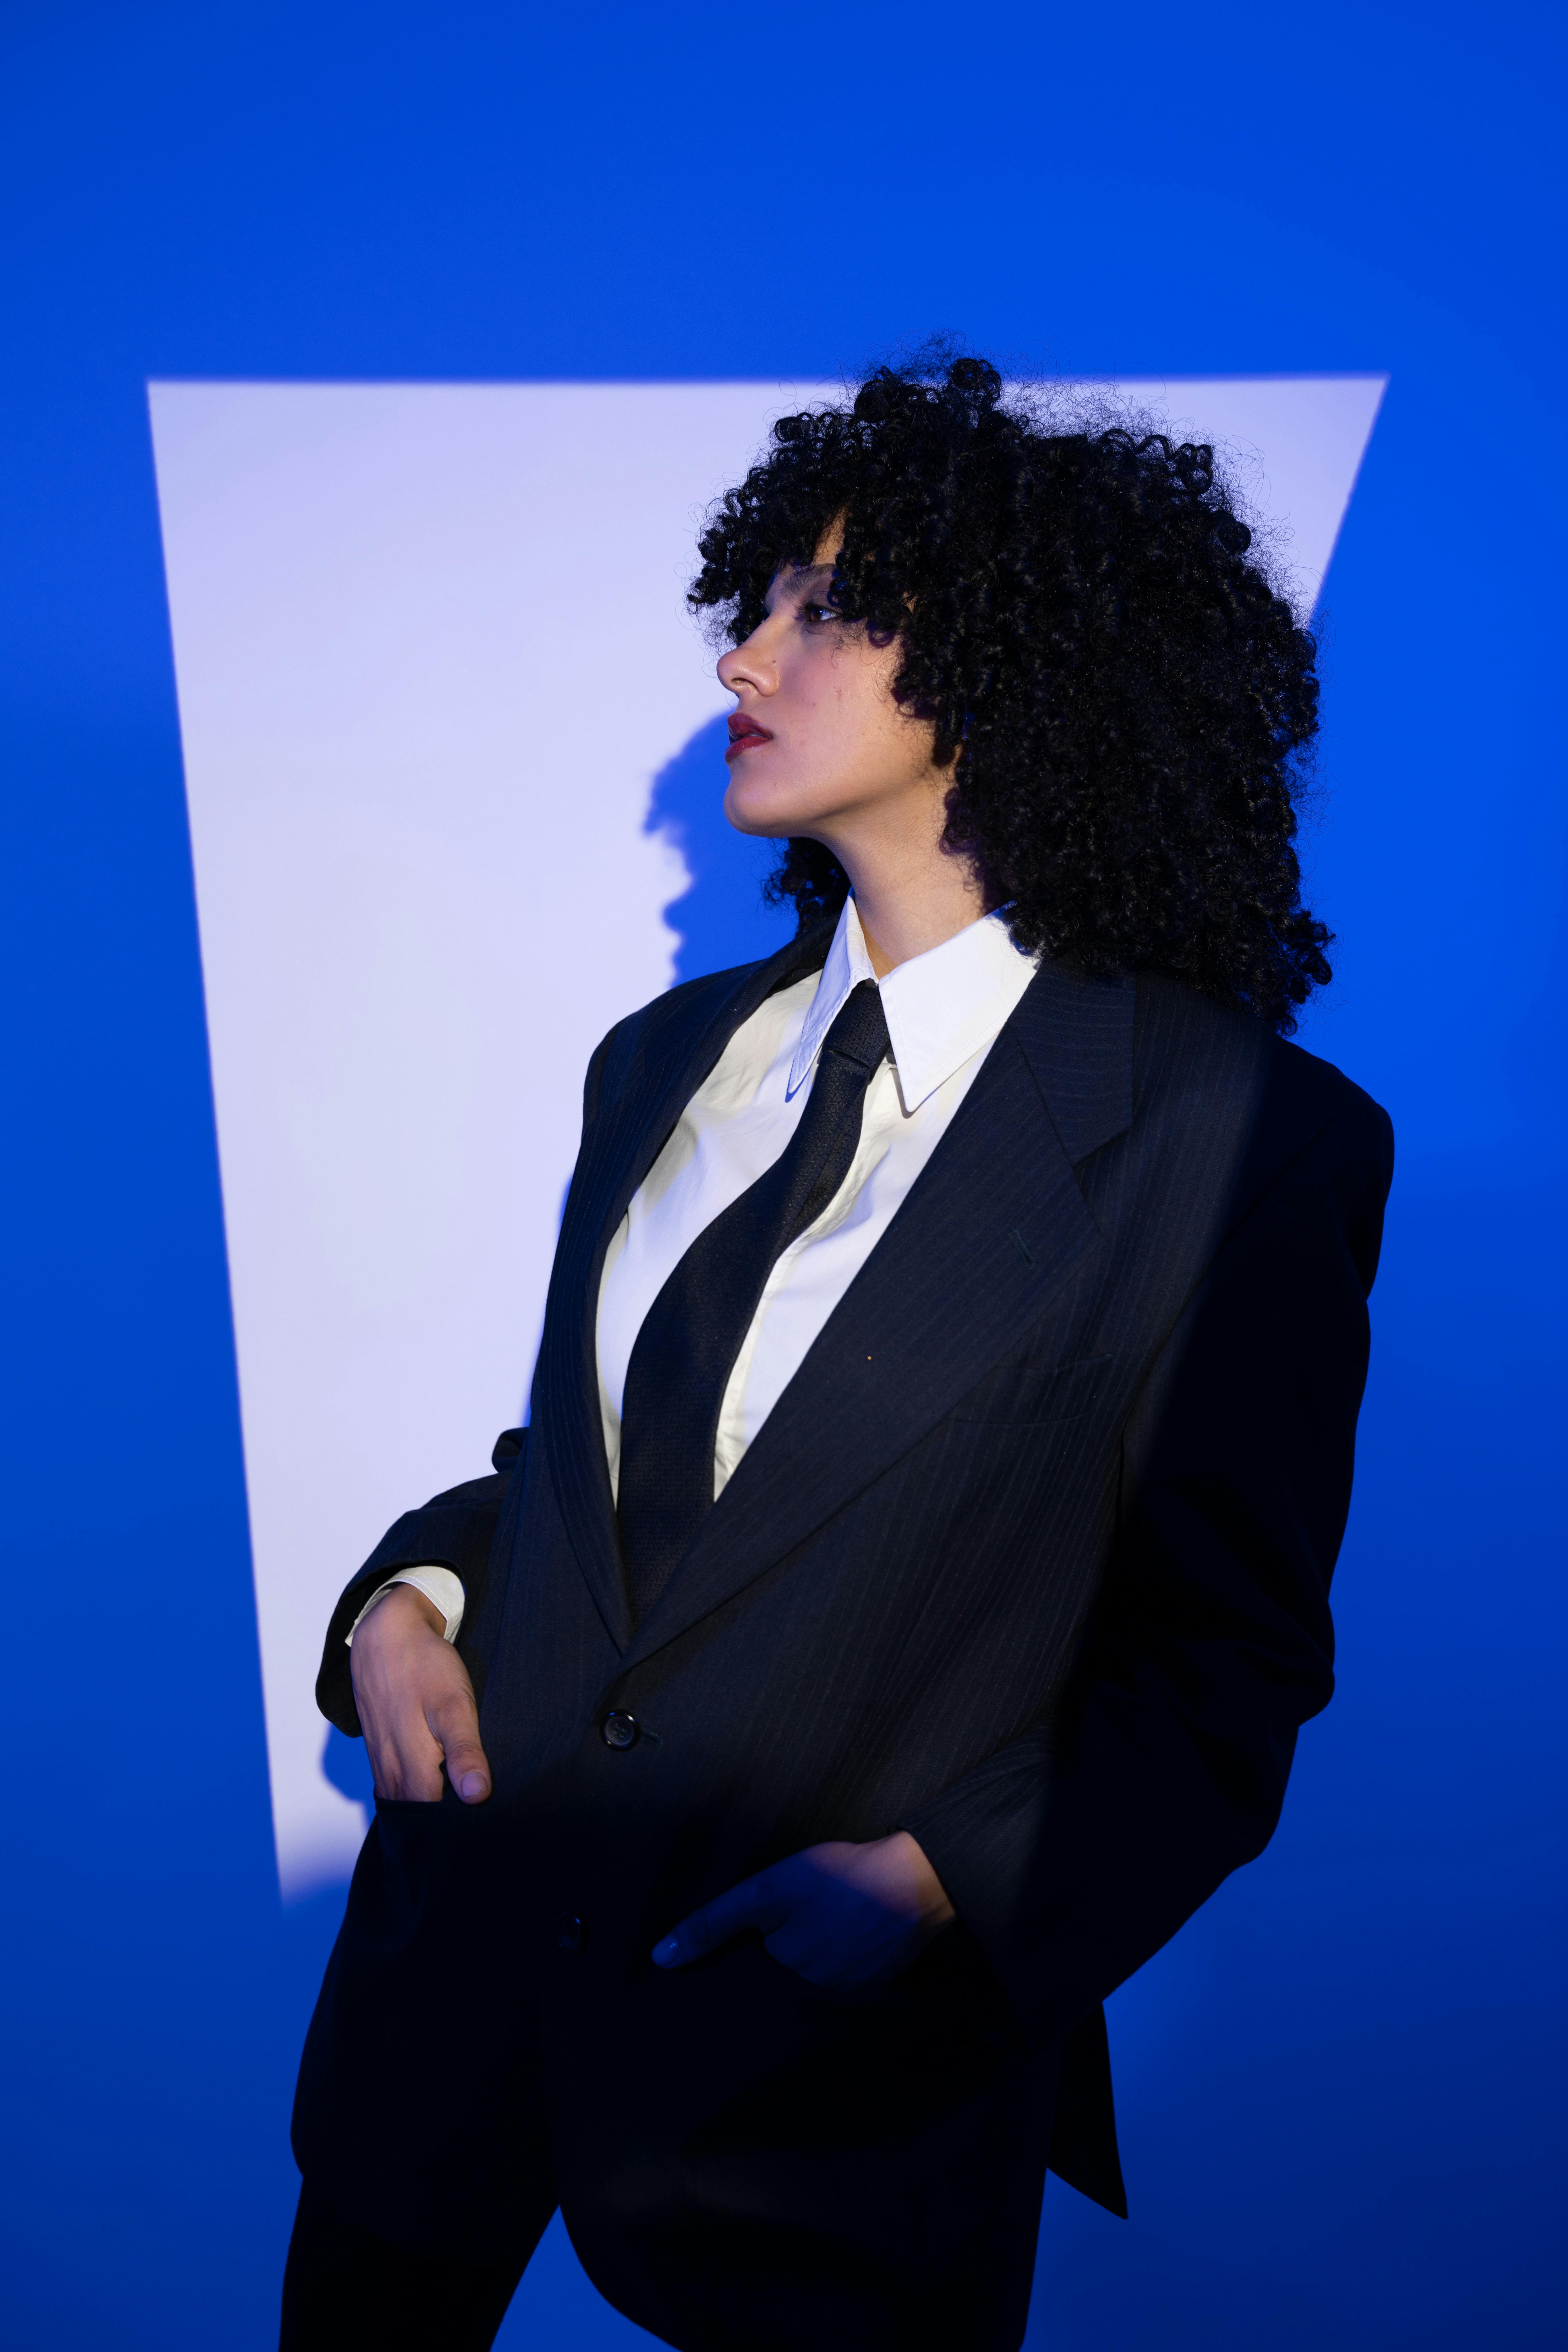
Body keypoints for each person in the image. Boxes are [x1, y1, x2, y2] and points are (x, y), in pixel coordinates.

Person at [281, 351, 1393, 2352]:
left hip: (818, 2108)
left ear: (1024, 666)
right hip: (439, 2025)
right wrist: (411, 1596)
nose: (744, 659)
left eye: (829, 608)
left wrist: (947, 1880)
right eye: (760, 601)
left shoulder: (1245, 1142)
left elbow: (1223, 1670)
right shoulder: (666, 1062)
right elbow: (615, 1494)